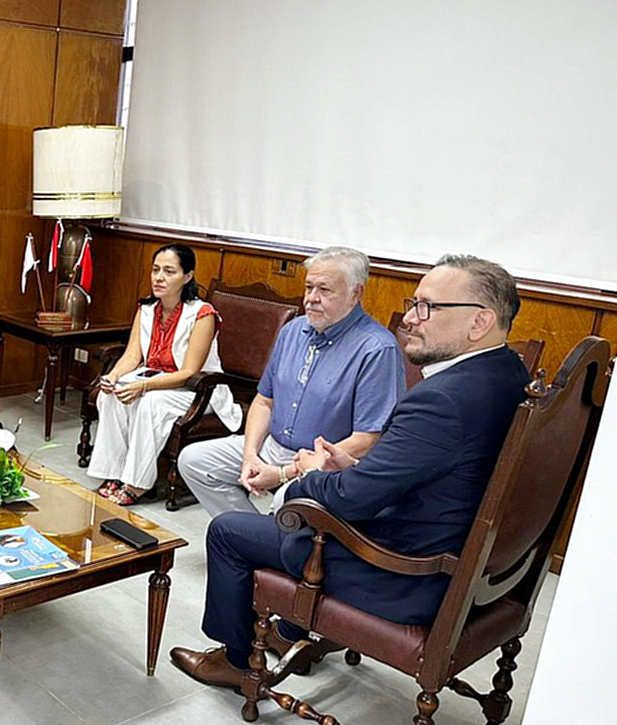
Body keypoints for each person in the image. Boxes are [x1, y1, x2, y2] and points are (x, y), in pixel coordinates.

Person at [170, 255, 531, 690]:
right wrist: (356, 467)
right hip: (474, 566)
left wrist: (306, 471)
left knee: (231, 531)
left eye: (428, 307)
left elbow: (348, 499)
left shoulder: (442, 400)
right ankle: (287, 631)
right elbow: (429, 467)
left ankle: (239, 660)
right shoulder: (509, 373)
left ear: (479, 322)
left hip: (407, 574)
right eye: (413, 303)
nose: (412, 319)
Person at [177, 246, 405, 516]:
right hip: (273, 446)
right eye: (309, 287)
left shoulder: (377, 349)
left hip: (326, 465)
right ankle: (249, 535)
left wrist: (285, 473)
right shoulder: (293, 331)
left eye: (324, 290)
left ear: (356, 293)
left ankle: (272, 544)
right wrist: (250, 455)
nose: (311, 299)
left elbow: (368, 438)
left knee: (287, 498)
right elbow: (264, 402)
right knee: (194, 461)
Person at [86, 244, 241, 505]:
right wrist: (112, 378)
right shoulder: (146, 309)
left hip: (198, 390)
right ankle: (113, 473)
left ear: (187, 276)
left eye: (169, 271)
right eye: (156, 270)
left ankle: (137, 484)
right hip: (156, 380)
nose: (159, 277)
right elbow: (131, 358)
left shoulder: (202, 314)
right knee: (111, 395)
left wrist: (144, 387)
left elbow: (189, 372)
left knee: (149, 403)